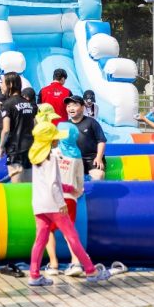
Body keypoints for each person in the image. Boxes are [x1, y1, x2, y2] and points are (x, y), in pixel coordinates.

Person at [26, 120, 109, 286]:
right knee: (72, 237)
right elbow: (53, 185)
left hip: (39, 205)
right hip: (55, 205)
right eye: (55, 137)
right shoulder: (51, 159)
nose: (58, 140)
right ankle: (91, 270)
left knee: (40, 241)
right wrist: (61, 203)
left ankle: (34, 275)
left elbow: (48, 183)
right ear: (49, 140)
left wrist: (69, 188)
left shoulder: (36, 159)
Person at [50, 122, 87, 277]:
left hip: (52, 197)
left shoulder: (53, 153)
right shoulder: (77, 155)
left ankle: (53, 264)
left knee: (48, 230)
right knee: (69, 231)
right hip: (70, 198)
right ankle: (76, 262)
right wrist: (76, 192)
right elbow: (80, 181)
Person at [0, 72, 35, 183]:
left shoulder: (7, 104)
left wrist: (1, 147)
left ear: (10, 84)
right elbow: (35, 125)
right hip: (30, 147)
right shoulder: (28, 104)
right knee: (29, 185)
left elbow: (6, 129)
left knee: (17, 186)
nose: (1, 86)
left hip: (15, 149)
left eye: (2, 83)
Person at [63, 95, 107, 179]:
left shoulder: (91, 122)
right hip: (75, 159)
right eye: (68, 106)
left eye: (75, 105)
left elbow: (101, 141)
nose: (71, 108)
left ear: (82, 108)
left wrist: (99, 157)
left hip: (92, 158)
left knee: (98, 175)